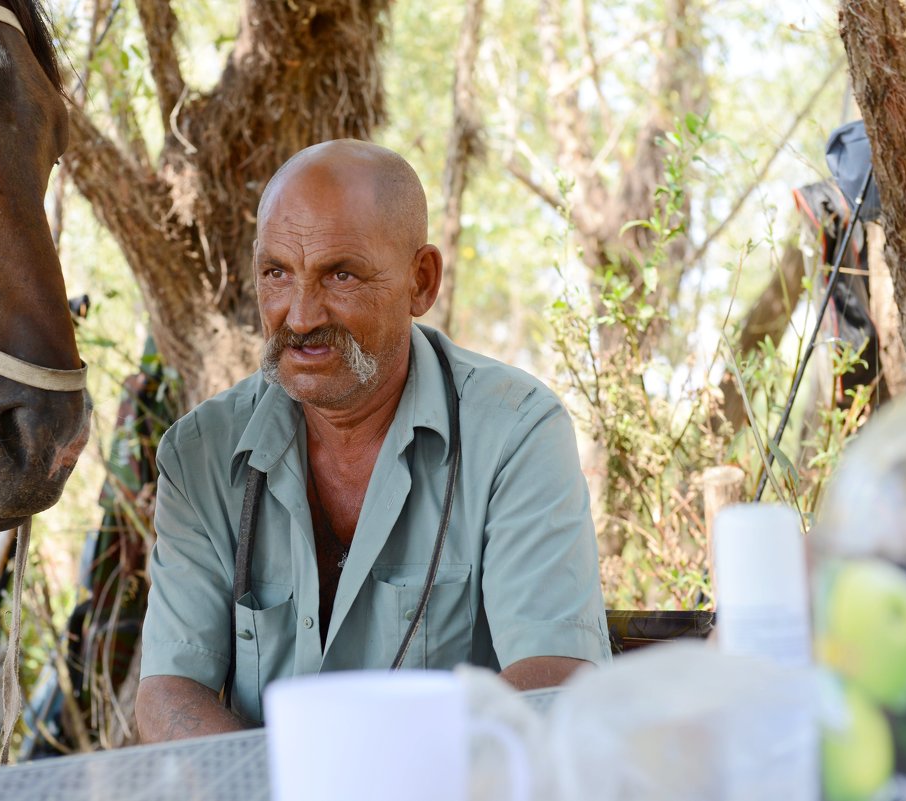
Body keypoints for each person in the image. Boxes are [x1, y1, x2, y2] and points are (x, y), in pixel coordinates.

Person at [135, 139, 611, 743]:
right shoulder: (200, 454)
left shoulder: (515, 432)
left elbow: (553, 680)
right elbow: (170, 692)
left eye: (341, 274)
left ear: (422, 281)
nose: (301, 315)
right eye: (276, 272)